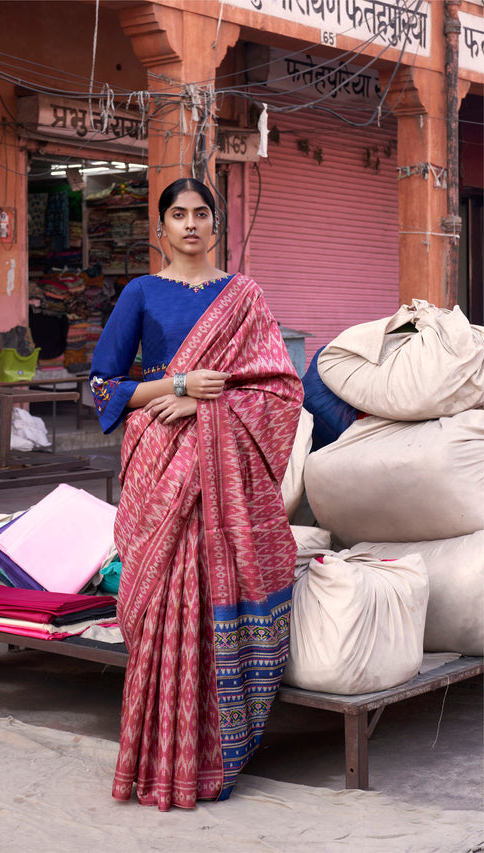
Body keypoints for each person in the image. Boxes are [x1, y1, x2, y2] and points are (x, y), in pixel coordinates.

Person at [89, 177, 303, 811]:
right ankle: (157, 759)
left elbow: (280, 392)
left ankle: (215, 754)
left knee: (216, 588)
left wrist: (213, 406)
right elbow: (102, 387)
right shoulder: (141, 292)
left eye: (200, 214)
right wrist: (177, 387)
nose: (189, 224)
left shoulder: (245, 297)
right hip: (160, 459)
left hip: (223, 470)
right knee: (159, 602)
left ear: (217, 225)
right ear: (160, 229)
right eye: (177, 214)